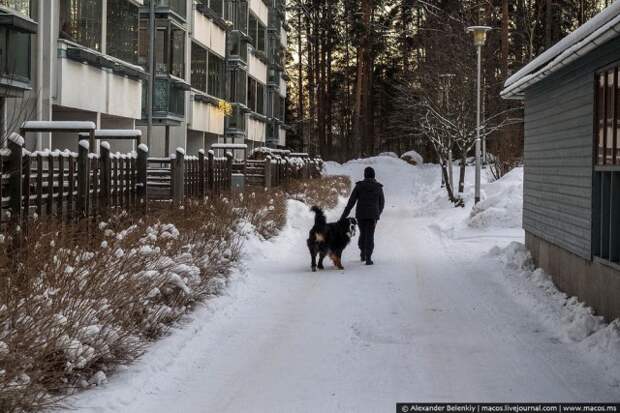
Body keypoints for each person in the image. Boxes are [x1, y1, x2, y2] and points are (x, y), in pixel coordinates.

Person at [340, 166, 385, 265]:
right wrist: (378, 213)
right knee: (370, 235)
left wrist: (343, 217)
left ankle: (362, 252)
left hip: (361, 215)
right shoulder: (378, 187)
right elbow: (382, 203)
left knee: (363, 233)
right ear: (374, 175)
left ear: (365, 175)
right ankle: (368, 258)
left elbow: (351, 202)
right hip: (373, 215)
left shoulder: (359, 186)